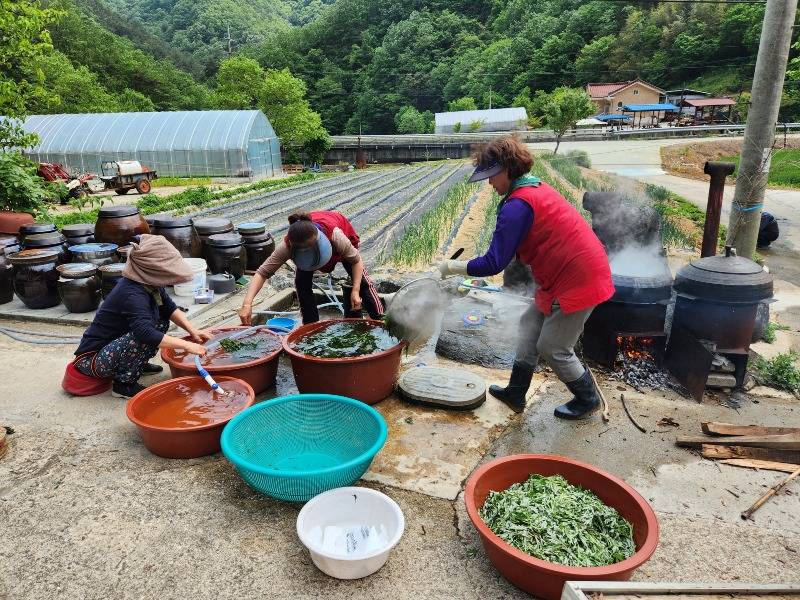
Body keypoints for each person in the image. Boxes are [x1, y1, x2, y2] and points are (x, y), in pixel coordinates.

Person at [438, 136, 615, 419]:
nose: (489, 183)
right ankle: (516, 393)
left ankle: (587, 398)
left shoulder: (518, 205)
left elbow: (494, 263)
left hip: (578, 277)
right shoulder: (533, 186)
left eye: (491, 176)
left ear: (507, 169)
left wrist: (451, 267)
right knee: (529, 325)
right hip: (562, 274)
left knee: (554, 347)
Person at [63, 234, 212, 399]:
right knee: (142, 335)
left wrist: (193, 331)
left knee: (161, 321)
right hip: (92, 360)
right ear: (153, 270)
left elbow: (169, 308)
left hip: (114, 347)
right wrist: (187, 345)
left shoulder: (150, 283)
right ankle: (123, 385)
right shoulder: (131, 293)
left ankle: (136, 365)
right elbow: (144, 333)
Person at [239, 211, 384, 325]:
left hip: (339, 243)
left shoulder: (335, 236)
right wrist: (247, 304)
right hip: (304, 258)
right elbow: (262, 273)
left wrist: (356, 289)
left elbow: (356, 261)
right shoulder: (288, 246)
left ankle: (380, 319)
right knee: (302, 284)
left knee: (362, 282)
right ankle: (311, 326)